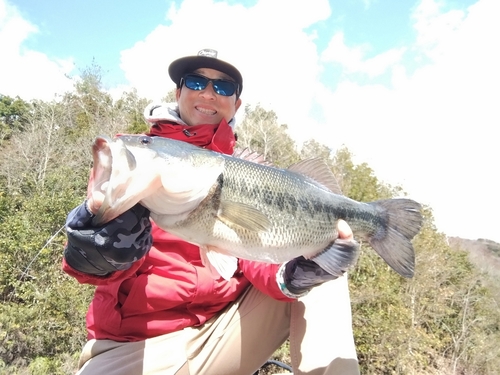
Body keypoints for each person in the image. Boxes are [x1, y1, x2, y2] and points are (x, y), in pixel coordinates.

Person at [63, 49, 361, 375]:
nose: (207, 93)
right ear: (178, 93)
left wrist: (296, 275)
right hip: (135, 346)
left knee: (324, 264)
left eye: (223, 87)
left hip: (223, 333)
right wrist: (97, 249)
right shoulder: (139, 157)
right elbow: (87, 267)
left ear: (237, 103)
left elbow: (255, 255)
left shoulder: (249, 174)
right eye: (195, 81)